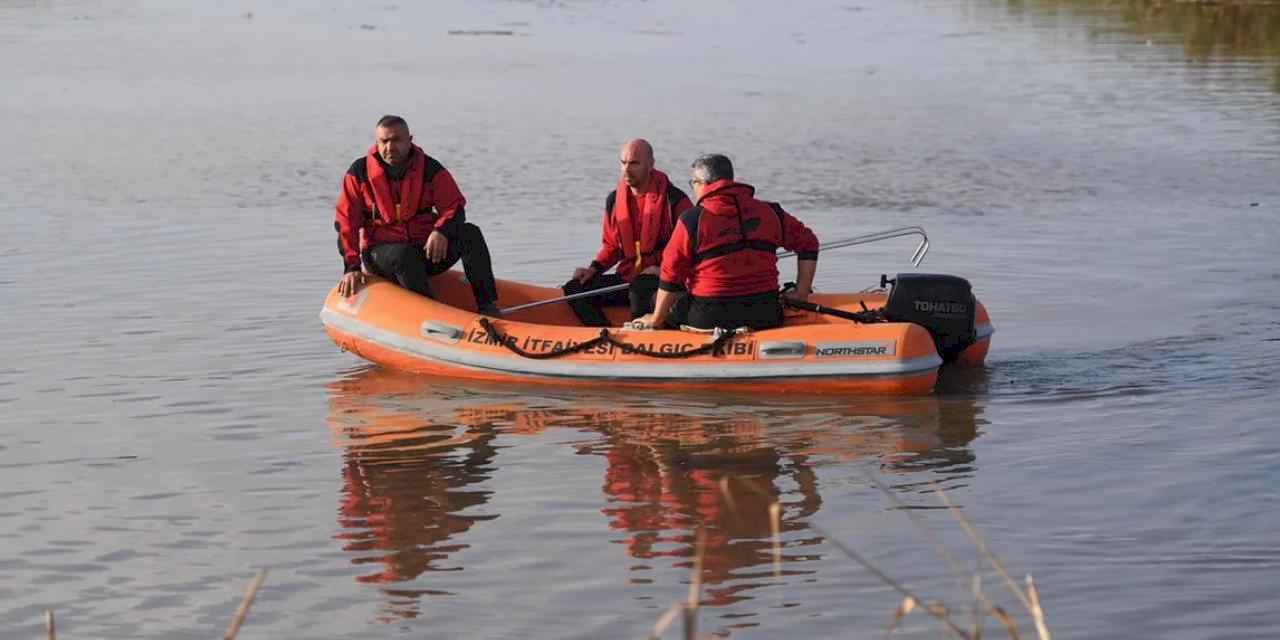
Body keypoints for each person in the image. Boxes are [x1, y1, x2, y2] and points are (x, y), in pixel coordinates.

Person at [334, 115, 501, 316]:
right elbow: (346, 222)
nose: (390, 147)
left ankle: (487, 306)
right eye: (384, 141)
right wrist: (351, 267)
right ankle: (431, 314)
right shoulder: (359, 173)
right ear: (376, 142)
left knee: (470, 233)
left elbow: (454, 207)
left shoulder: (430, 169)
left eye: (396, 140)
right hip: (382, 255)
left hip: (425, 251)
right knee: (404, 255)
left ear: (410, 140)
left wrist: (441, 231)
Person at [636, 154, 819, 331]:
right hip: (766, 312)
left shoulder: (692, 220)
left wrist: (656, 318)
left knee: (648, 288)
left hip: (709, 315)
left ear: (703, 184)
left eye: (693, 183)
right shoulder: (771, 212)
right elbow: (809, 243)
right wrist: (801, 292)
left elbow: (671, 273)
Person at [562, 139, 693, 326]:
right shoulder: (615, 200)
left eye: (634, 163)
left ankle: (643, 336)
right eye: (623, 163)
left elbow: (689, 251)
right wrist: (593, 269)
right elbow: (612, 246)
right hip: (627, 277)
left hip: (661, 281)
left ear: (651, 165)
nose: (627, 169)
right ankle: (604, 336)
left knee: (640, 289)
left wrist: (661, 270)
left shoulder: (675, 201)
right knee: (574, 289)